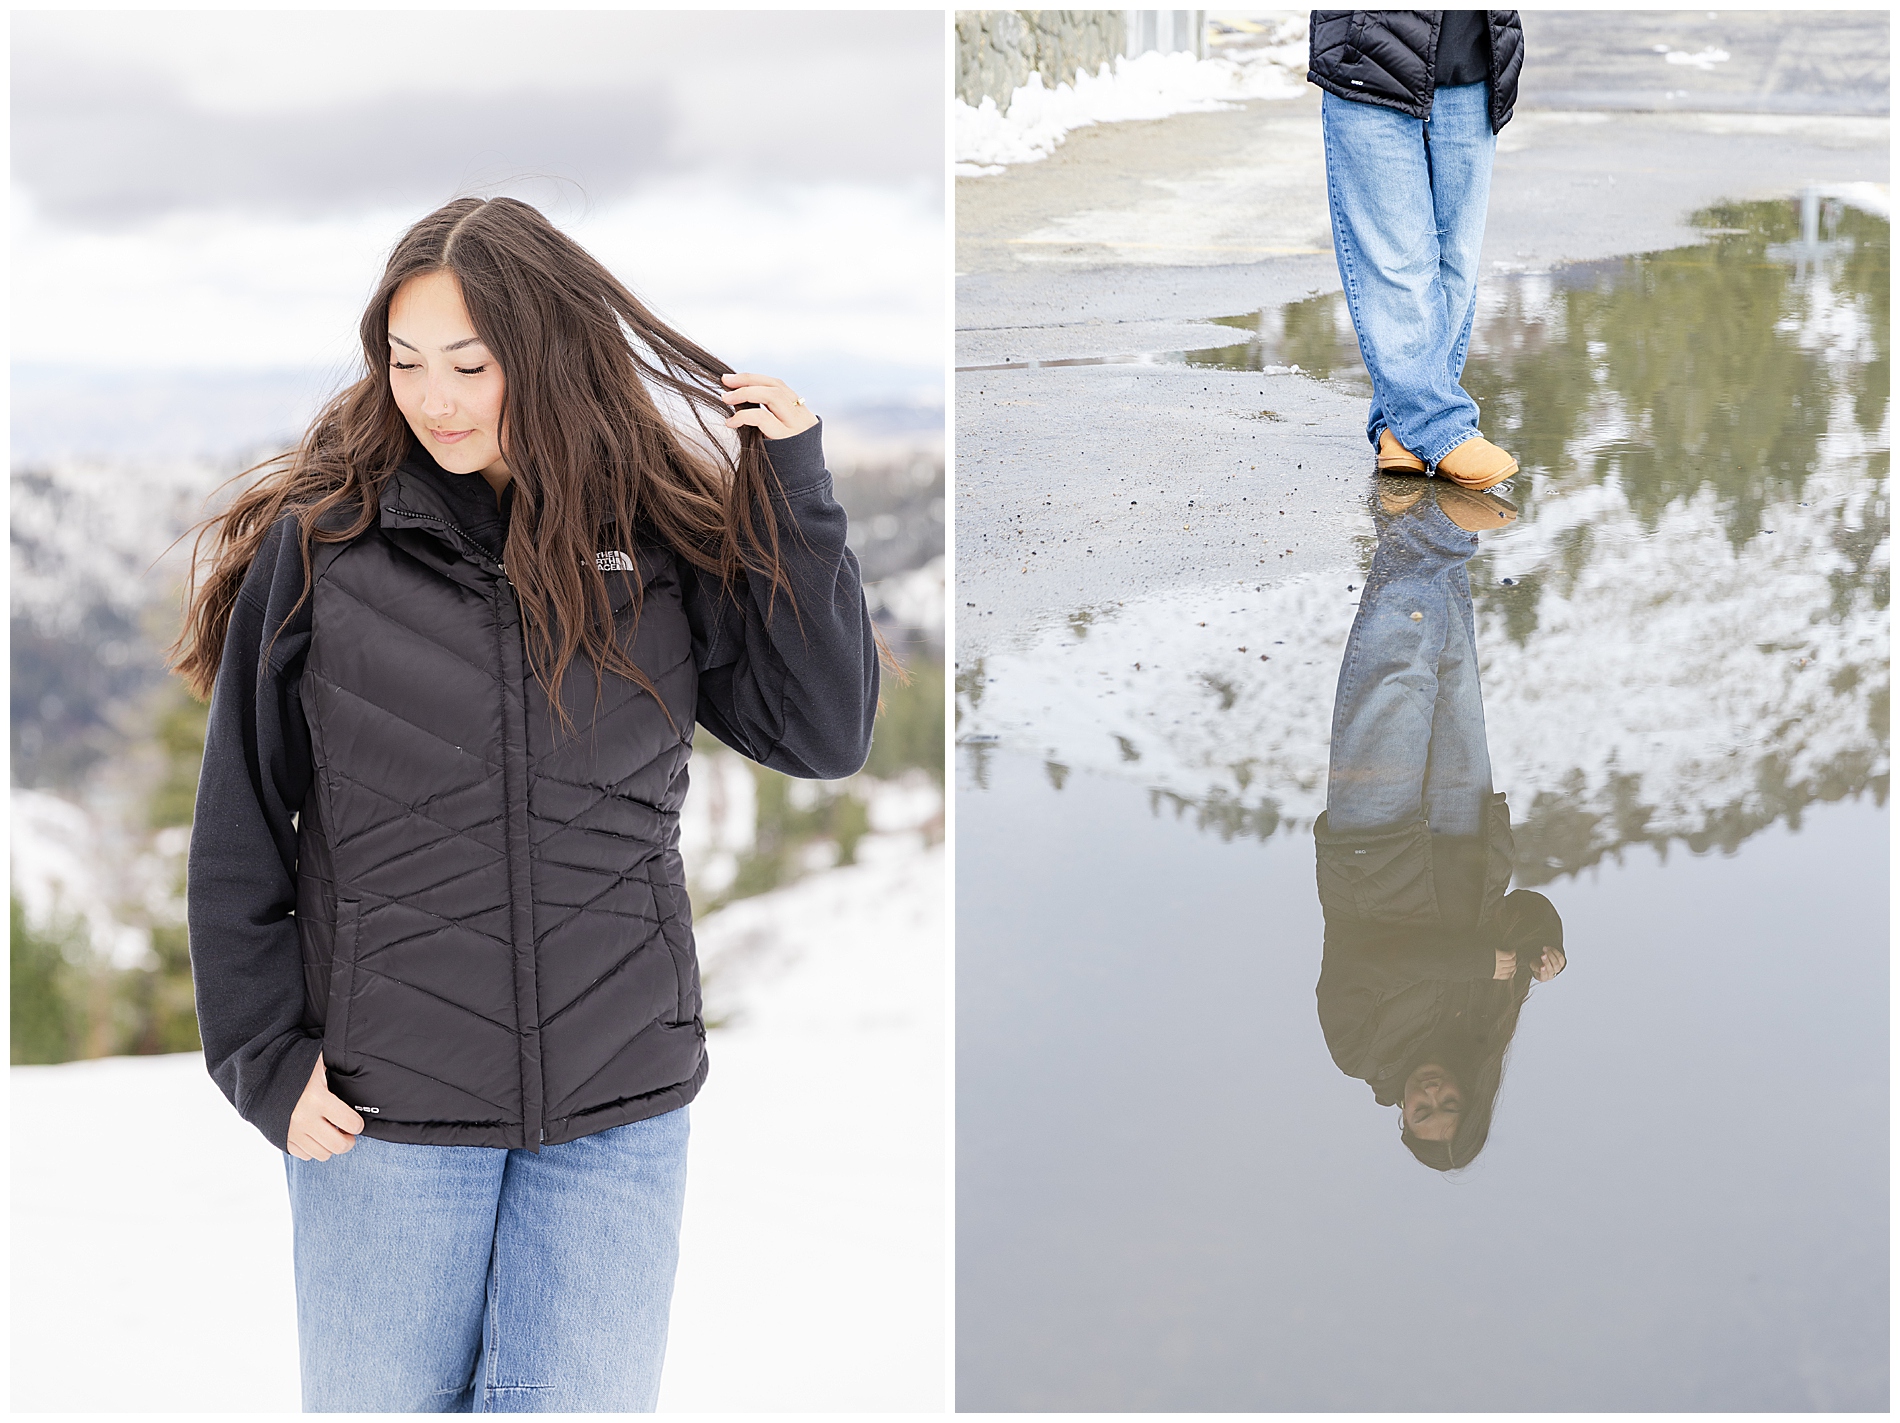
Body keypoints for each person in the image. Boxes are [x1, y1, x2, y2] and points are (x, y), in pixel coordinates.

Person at [172, 196, 881, 1411]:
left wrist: (794, 500)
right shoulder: (325, 548)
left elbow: (821, 733)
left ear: (545, 354)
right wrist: (260, 1059)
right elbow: (240, 819)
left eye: (470, 363)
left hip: (616, 1109)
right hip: (385, 1116)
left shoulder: (652, 538)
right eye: (405, 362)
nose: (433, 398)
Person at [1313, 477, 1565, 1170]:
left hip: (1374, 850)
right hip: (1463, 835)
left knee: (1394, 676)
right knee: (1452, 656)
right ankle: (1434, 493)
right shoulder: (1486, 1023)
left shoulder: (1357, 1049)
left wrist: (1469, 963)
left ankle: (1428, 521)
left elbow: (1366, 961)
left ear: (1403, 1115)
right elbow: (1517, 913)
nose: (1431, 1095)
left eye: (1422, 1112)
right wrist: (1546, 945)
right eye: (1449, 1104)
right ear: (1471, 1097)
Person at [1307, 10, 1526, 489]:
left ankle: (1400, 429)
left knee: (1457, 264)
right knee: (1397, 264)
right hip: (1371, 56)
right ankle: (1441, 428)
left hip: (1475, 63)